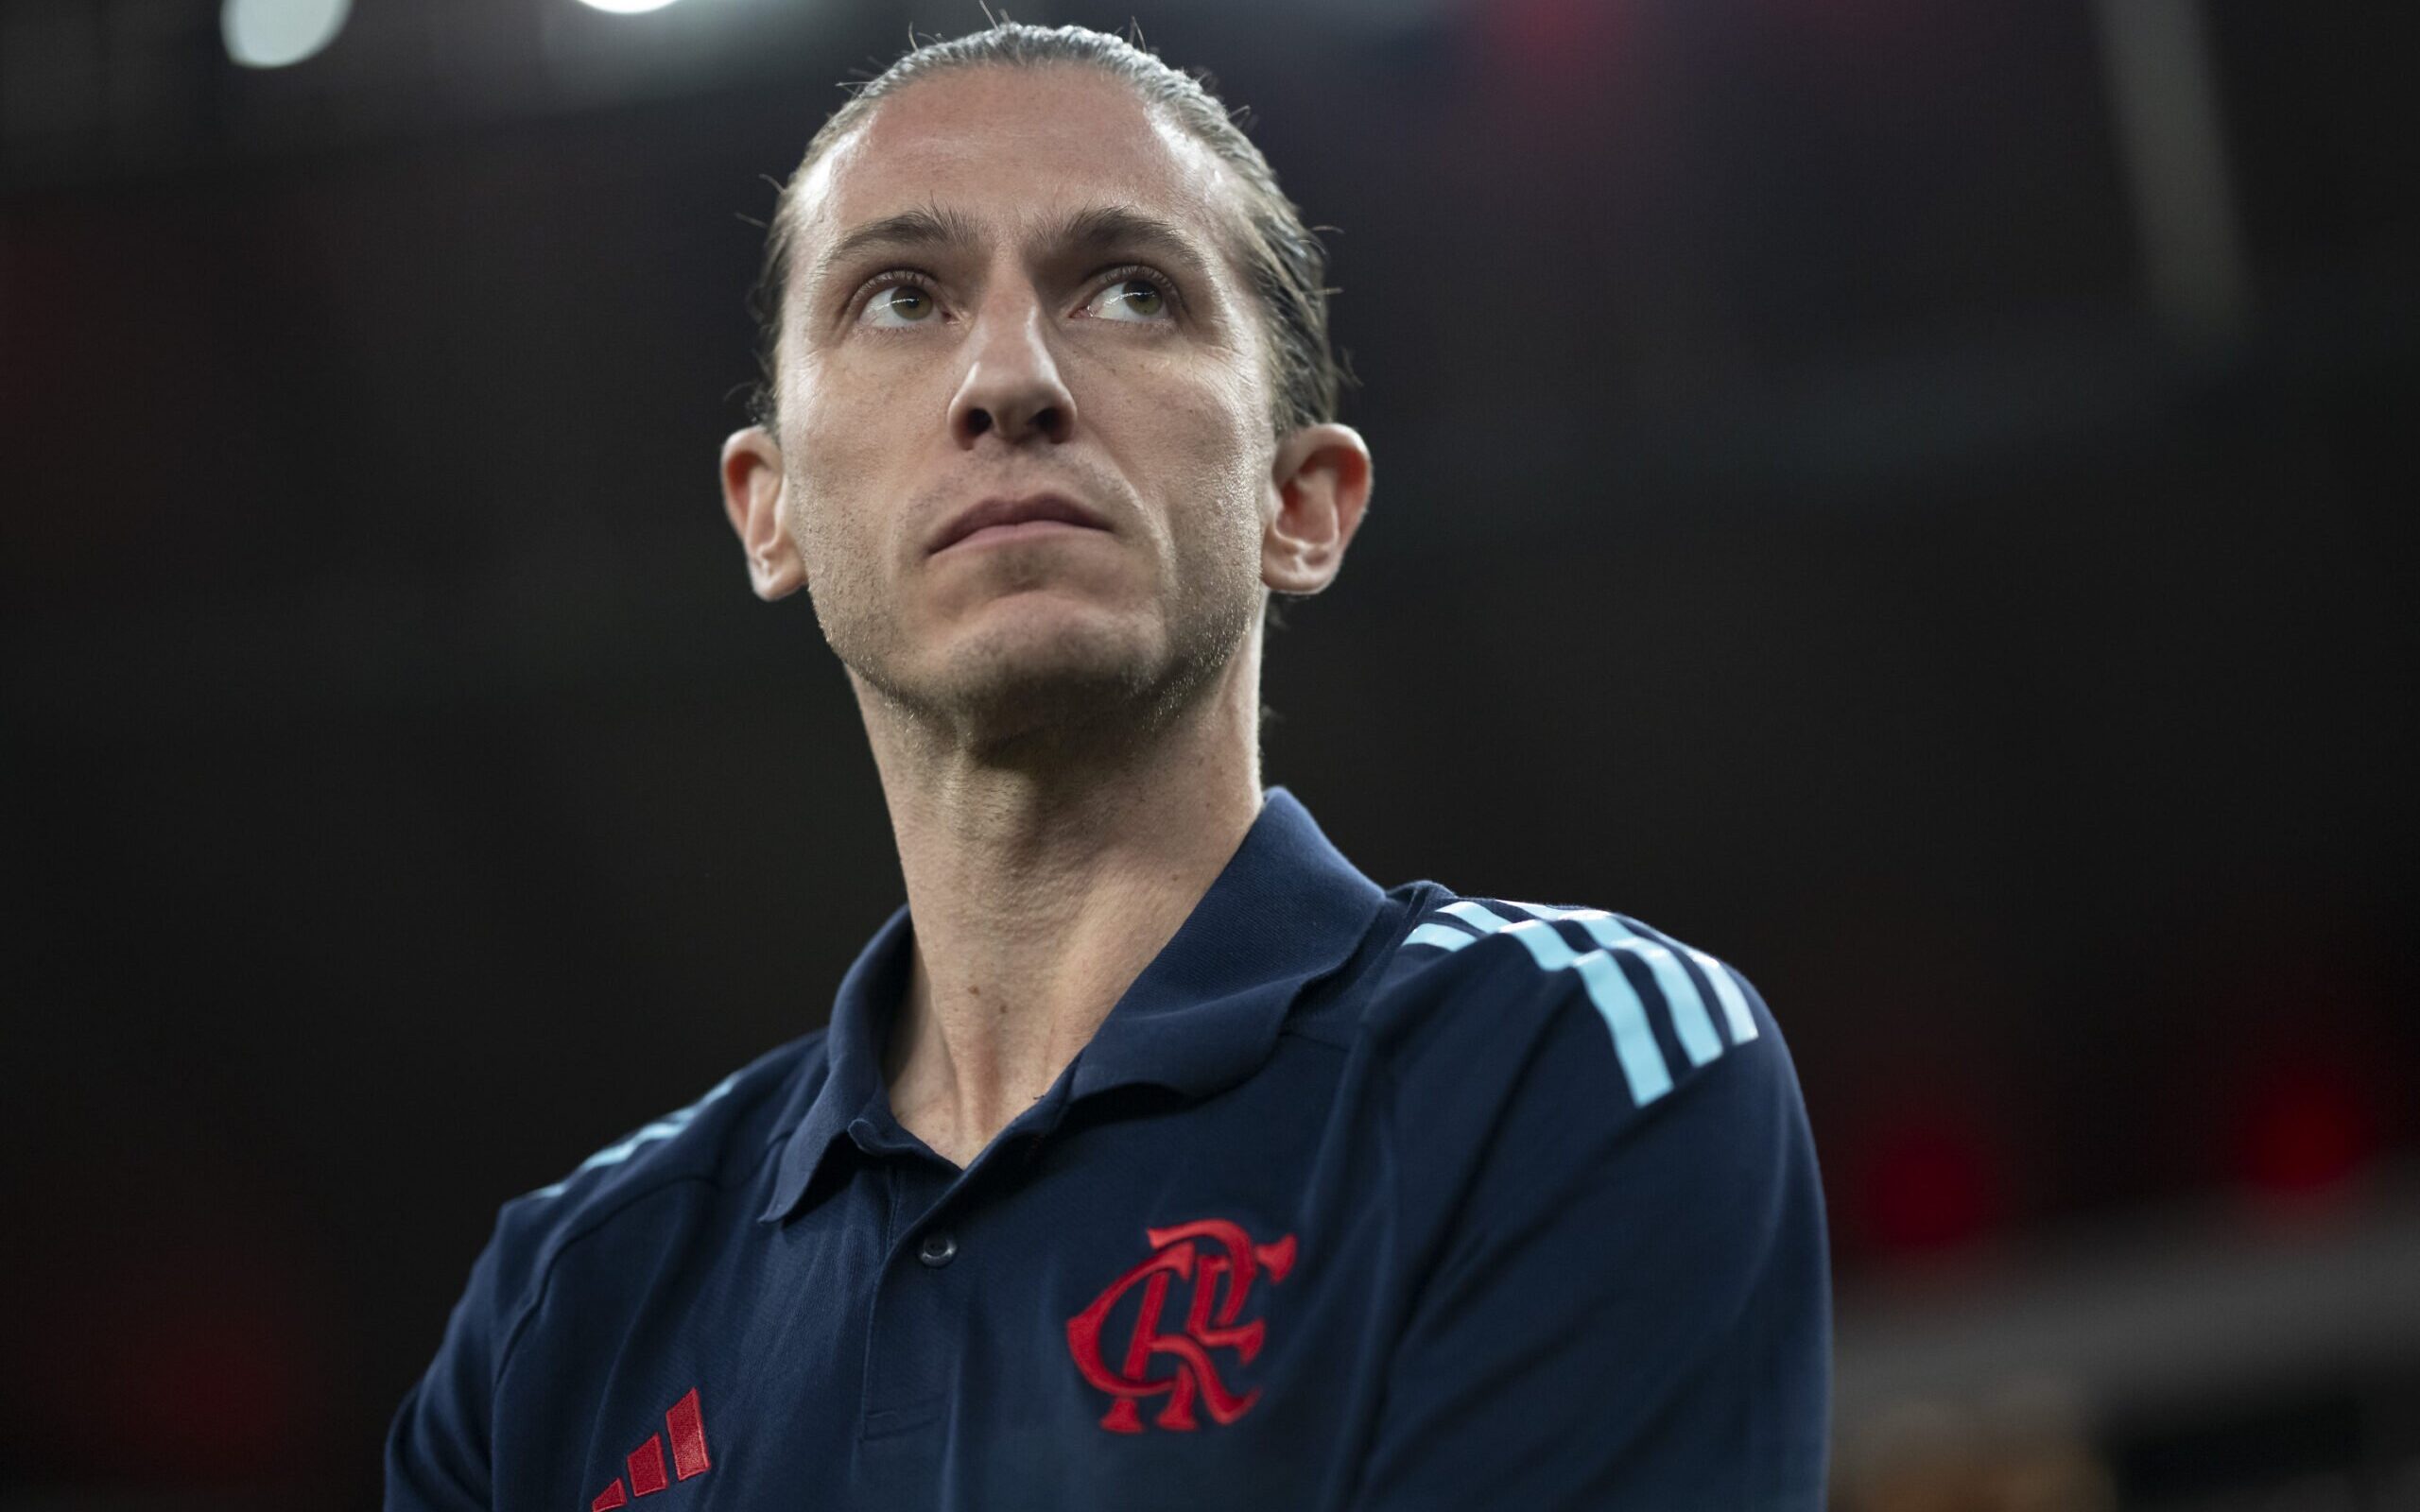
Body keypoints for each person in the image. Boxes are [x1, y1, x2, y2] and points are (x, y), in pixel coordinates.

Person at [386, 22, 1829, 1511]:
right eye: (901, 298)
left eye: (1132, 290)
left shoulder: (1564, 1061)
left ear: (1301, 503)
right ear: (772, 511)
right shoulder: (559, 1309)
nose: (1008, 378)